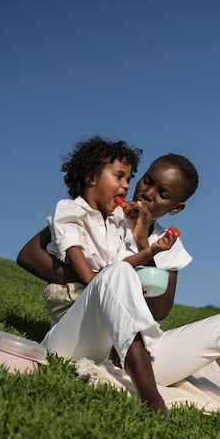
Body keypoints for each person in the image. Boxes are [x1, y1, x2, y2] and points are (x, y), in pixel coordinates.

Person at [18, 141, 220, 439]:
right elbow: (28, 255)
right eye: (147, 181)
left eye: (163, 194)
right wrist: (98, 281)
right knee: (119, 272)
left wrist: (145, 244)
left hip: (140, 355)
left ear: (176, 208)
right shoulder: (99, 207)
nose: (147, 193)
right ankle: (151, 401)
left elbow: (159, 310)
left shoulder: (167, 243)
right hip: (80, 340)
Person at [43, 136, 180, 322]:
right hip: (72, 302)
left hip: (98, 299)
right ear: (91, 177)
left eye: (128, 179)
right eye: (119, 176)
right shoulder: (71, 210)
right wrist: (112, 283)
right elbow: (77, 256)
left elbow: (121, 266)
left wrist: (152, 249)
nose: (126, 185)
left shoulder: (114, 222)